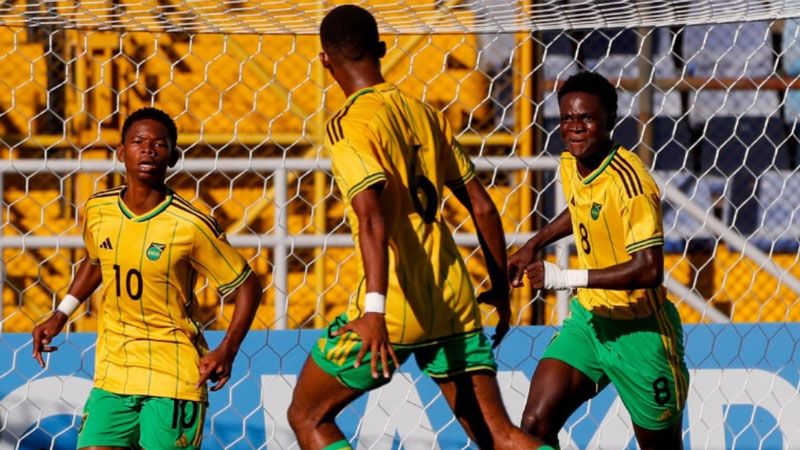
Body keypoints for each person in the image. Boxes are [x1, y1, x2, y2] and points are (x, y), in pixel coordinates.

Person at [287, 5, 551, 450]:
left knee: (307, 414)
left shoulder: (348, 125)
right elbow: (483, 208)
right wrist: (501, 287)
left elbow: (371, 215)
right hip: (453, 298)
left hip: (394, 303)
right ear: (383, 50)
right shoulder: (425, 114)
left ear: (325, 61)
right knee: (501, 437)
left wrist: (373, 310)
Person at [31, 107, 262, 450]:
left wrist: (227, 349)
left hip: (174, 377)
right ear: (121, 152)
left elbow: (247, 285)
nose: (149, 149)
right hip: (114, 373)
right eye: (138, 141)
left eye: (160, 144)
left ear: (173, 157)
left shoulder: (191, 225)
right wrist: (62, 312)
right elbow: (96, 261)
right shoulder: (98, 210)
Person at [509, 71, 689, 450]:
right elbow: (581, 210)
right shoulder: (571, 163)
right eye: (567, 119)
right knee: (534, 425)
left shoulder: (633, 185)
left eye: (586, 119)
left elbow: (649, 268)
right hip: (590, 323)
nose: (575, 128)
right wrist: (534, 243)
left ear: (609, 121)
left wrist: (563, 278)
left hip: (640, 331)